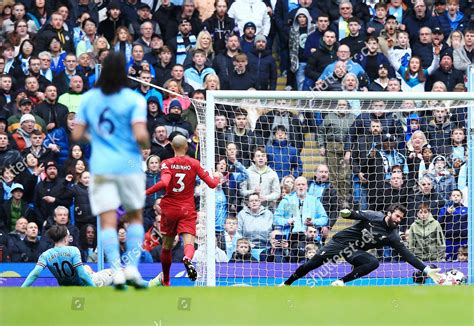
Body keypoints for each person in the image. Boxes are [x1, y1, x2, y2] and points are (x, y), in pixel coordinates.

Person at [72, 53, 151, 289]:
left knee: (107, 220)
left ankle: (115, 271)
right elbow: (141, 137)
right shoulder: (133, 99)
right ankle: (132, 269)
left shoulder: (89, 98)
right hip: (129, 166)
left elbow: (76, 134)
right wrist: (143, 144)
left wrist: (98, 139)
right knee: (134, 216)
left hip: (102, 166)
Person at [281, 204, 444, 286]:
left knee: (373, 262)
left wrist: (427, 270)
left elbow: (407, 255)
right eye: (397, 216)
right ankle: (286, 284)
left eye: (401, 218)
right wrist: (346, 213)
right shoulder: (374, 216)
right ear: (389, 214)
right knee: (312, 265)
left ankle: (340, 282)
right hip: (340, 243)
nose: (398, 220)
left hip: (354, 251)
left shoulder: (393, 236)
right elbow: (354, 214)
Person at [145, 135, 220, 286]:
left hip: (170, 209)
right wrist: (217, 177)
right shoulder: (194, 163)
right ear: (186, 147)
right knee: (189, 243)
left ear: (172, 147)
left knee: (166, 247)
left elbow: (164, 182)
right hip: (187, 209)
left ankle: (166, 280)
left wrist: (146, 192)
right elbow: (212, 184)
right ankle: (187, 258)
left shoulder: (167, 163)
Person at [21, 225, 96, 287]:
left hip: (64, 287)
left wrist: (22, 288)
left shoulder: (45, 255)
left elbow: (35, 273)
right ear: (66, 237)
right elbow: (82, 274)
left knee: (87, 268)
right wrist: (95, 288)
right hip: (84, 285)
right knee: (107, 272)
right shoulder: (74, 250)